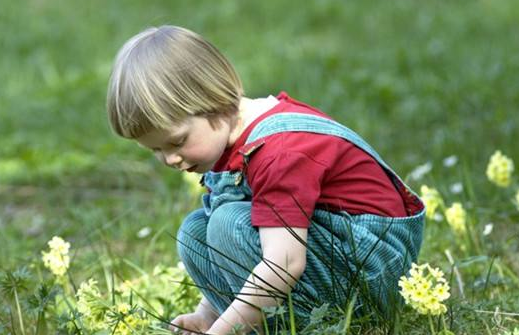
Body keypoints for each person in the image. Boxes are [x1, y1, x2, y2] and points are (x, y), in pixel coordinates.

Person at [106, 25, 425, 335]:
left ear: (213, 103)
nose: (170, 160)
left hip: (370, 275)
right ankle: (252, 318)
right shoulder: (232, 139)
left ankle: (308, 325)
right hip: (328, 253)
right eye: (154, 150)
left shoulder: (278, 152)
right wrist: (208, 314)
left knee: (228, 223)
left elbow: (285, 262)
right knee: (195, 231)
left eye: (176, 142)